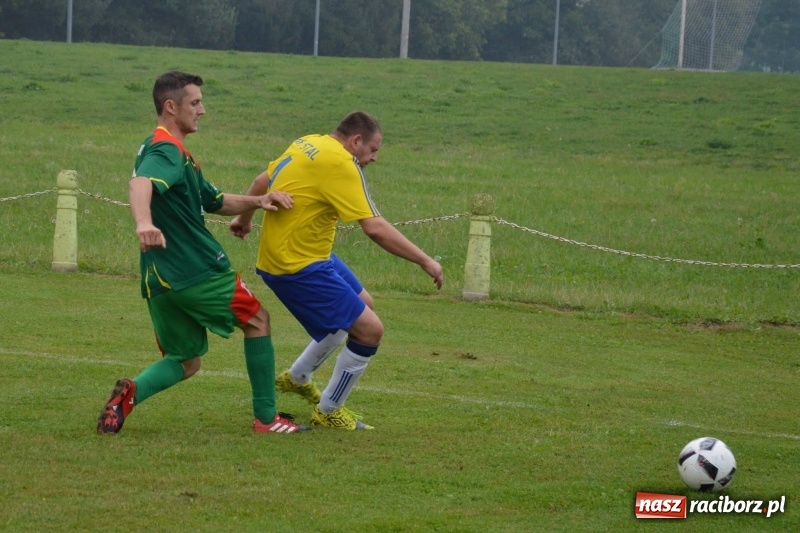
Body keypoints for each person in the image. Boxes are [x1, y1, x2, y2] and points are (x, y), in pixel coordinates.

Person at [97, 71, 308, 435]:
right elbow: (140, 183)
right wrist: (143, 222)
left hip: (159, 278)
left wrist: (259, 200)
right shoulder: (166, 149)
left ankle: (128, 396)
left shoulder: (169, 151)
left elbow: (214, 200)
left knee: (186, 360)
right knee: (258, 320)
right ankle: (267, 418)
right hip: (197, 271)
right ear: (171, 106)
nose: (202, 110)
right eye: (195, 103)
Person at [229, 111, 443, 430]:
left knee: (363, 305)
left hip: (307, 255)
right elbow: (375, 227)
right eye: (373, 150)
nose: (374, 158)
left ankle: (298, 377)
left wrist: (244, 219)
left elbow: (263, 180)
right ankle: (329, 410)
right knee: (370, 331)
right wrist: (425, 260)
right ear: (355, 141)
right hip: (297, 265)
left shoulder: (308, 142)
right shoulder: (342, 164)